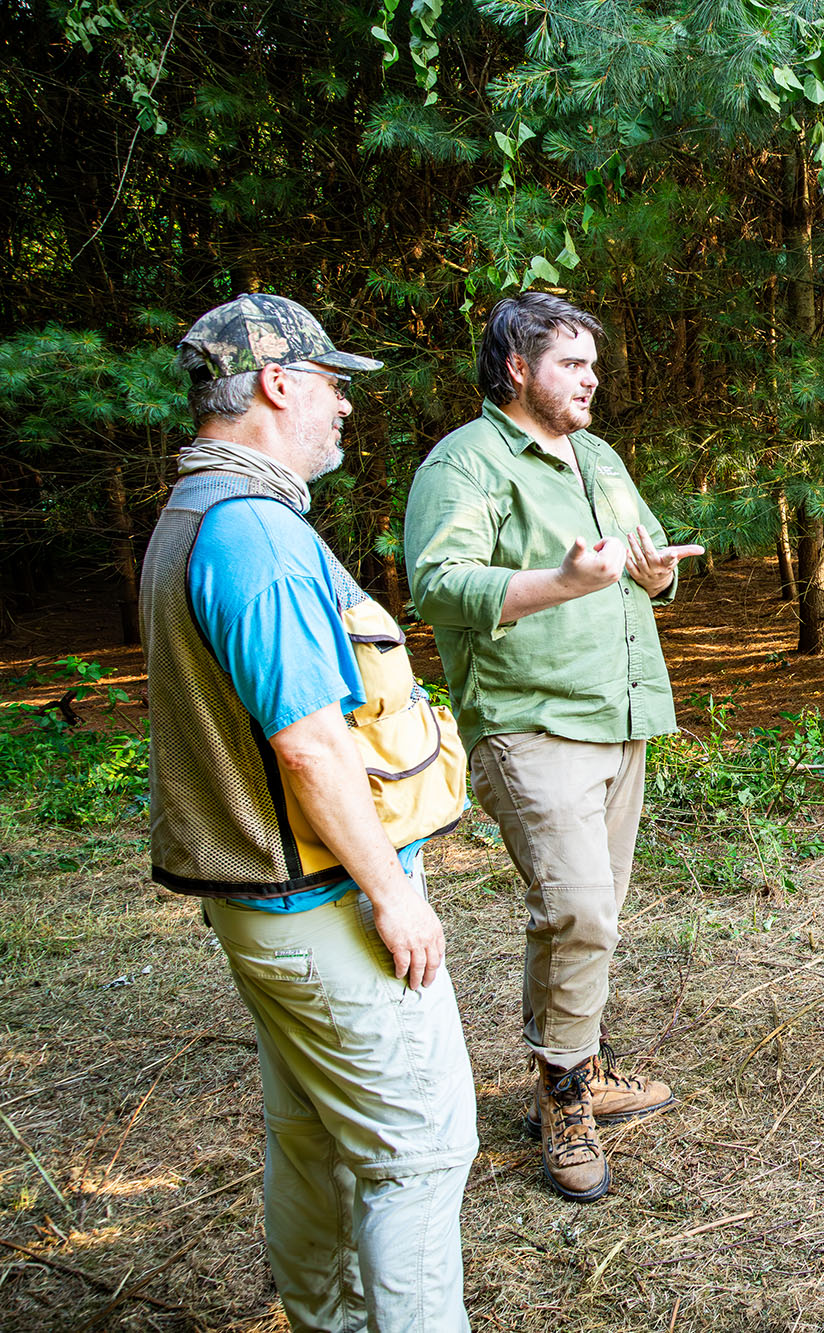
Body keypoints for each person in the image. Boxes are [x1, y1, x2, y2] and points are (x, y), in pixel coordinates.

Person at [142, 293, 476, 1330]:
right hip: (318, 900)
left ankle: (324, 1317)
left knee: (316, 1134)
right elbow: (307, 742)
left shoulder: (193, 513)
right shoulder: (255, 535)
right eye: (333, 383)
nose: (343, 406)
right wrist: (393, 894)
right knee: (419, 1150)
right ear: (277, 384)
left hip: (266, 901)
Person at [405, 291, 700, 1202]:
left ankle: (584, 1063)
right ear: (518, 368)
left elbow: (643, 565)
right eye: (573, 362)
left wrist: (655, 576)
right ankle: (563, 1096)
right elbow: (437, 583)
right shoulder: (465, 462)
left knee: (594, 911)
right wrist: (563, 580)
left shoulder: (601, 457)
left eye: (594, 363)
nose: (592, 379)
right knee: (579, 908)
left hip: (619, 712)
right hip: (530, 718)